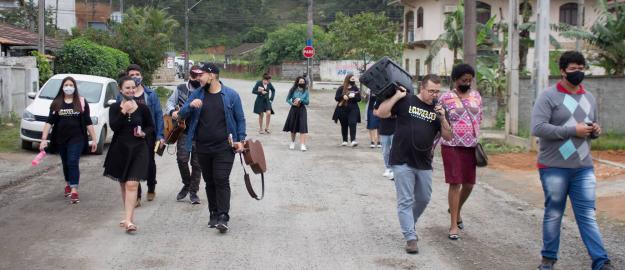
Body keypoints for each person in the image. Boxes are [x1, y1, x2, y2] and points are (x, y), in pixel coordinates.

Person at [532, 51, 614, 270]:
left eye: (581, 68)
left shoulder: (589, 98)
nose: (578, 72)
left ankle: (600, 261)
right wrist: (572, 130)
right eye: (573, 69)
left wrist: (595, 130)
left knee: (587, 214)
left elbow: (591, 126)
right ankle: (548, 259)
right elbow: (537, 128)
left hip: (583, 167)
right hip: (553, 167)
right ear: (562, 71)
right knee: (554, 213)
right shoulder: (548, 96)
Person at [376, 74, 452, 254]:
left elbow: (448, 136)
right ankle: (410, 237)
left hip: (424, 161)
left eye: (437, 91)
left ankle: (409, 223)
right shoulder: (406, 101)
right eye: (431, 91)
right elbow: (382, 112)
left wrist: (442, 118)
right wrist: (396, 96)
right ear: (422, 89)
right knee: (406, 200)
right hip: (401, 159)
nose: (434, 94)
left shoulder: (439, 109)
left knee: (424, 198)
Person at [178, 63, 246, 233]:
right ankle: (213, 213)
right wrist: (190, 105)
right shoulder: (196, 94)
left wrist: (241, 140)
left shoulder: (231, 95)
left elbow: (240, 119)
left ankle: (223, 216)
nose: (198, 78)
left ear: (212, 75)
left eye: (201, 75)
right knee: (209, 182)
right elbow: (181, 114)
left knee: (221, 179)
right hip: (202, 147)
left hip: (225, 146)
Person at [103, 76, 154, 233]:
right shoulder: (114, 108)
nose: (131, 90)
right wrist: (123, 111)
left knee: (132, 184)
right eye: (127, 88)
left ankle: (129, 221)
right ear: (121, 90)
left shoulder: (143, 108)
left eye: (133, 87)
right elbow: (115, 127)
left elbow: (151, 127)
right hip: (120, 149)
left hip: (139, 149)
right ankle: (128, 218)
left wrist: (143, 133)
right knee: (124, 184)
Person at [438, 63, 482, 240]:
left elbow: (479, 118)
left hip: (471, 146)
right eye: (464, 80)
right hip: (451, 145)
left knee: (469, 184)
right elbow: (439, 122)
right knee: (455, 183)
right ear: (455, 80)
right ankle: (453, 224)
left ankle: (457, 209)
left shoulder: (477, 96)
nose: (467, 83)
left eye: (470, 80)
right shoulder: (445, 98)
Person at [39, 76, 98, 204]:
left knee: (72, 161)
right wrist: (43, 139)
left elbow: (88, 121)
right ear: (62, 87)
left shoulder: (81, 102)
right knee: (66, 163)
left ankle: (74, 190)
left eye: (71, 85)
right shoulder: (57, 102)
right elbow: (49, 122)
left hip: (77, 138)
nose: (68, 87)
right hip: (61, 138)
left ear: (75, 87)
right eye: (66, 85)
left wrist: (94, 139)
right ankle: (68, 183)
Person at [125, 64, 164, 205]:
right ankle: (137, 195)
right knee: (133, 164)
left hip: (148, 134)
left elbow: (159, 115)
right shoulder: (123, 95)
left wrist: (160, 135)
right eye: (132, 75)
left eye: (137, 74)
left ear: (141, 76)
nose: (135, 77)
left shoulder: (150, 94)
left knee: (149, 163)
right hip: (130, 136)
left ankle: (151, 187)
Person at [166, 65, 203, 204]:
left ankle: (193, 192)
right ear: (189, 76)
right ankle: (187, 183)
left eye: (200, 76)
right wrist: (172, 112)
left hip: (200, 133)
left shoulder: (204, 90)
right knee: (182, 159)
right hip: (183, 130)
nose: (197, 79)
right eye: (194, 76)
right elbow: (170, 102)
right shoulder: (180, 88)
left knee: (197, 164)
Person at [332, 74, 361, 147]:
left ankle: (353, 140)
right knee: (344, 125)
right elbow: (336, 98)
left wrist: (353, 97)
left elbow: (359, 99)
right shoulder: (341, 88)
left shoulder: (355, 88)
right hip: (342, 109)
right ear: (347, 79)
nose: (353, 81)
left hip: (353, 109)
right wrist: (343, 96)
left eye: (354, 79)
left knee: (353, 123)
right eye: (352, 79)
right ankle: (345, 140)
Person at [283, 76, 310, 151]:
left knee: (303, 127)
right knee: (293, 127)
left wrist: (301, 100)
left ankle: (302, 144)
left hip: (302, 109)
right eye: (300, 81)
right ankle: (292, 142)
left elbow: (307, 102)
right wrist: (292, 103)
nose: (301, 83)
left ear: (304, 83)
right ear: (297, 82)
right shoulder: (292, 90)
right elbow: (287, 99)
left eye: (303, 82)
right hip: (294, 109)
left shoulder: (306, 91)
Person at [373, 100, 396, 180]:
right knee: (385, 150)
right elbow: (375, 112)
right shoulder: (380, 99)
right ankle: (388, 167)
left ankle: (394, 169)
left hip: (396, 128)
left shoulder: (397, 98)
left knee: (395, 150)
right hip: (384, 128)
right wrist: (385, 114)